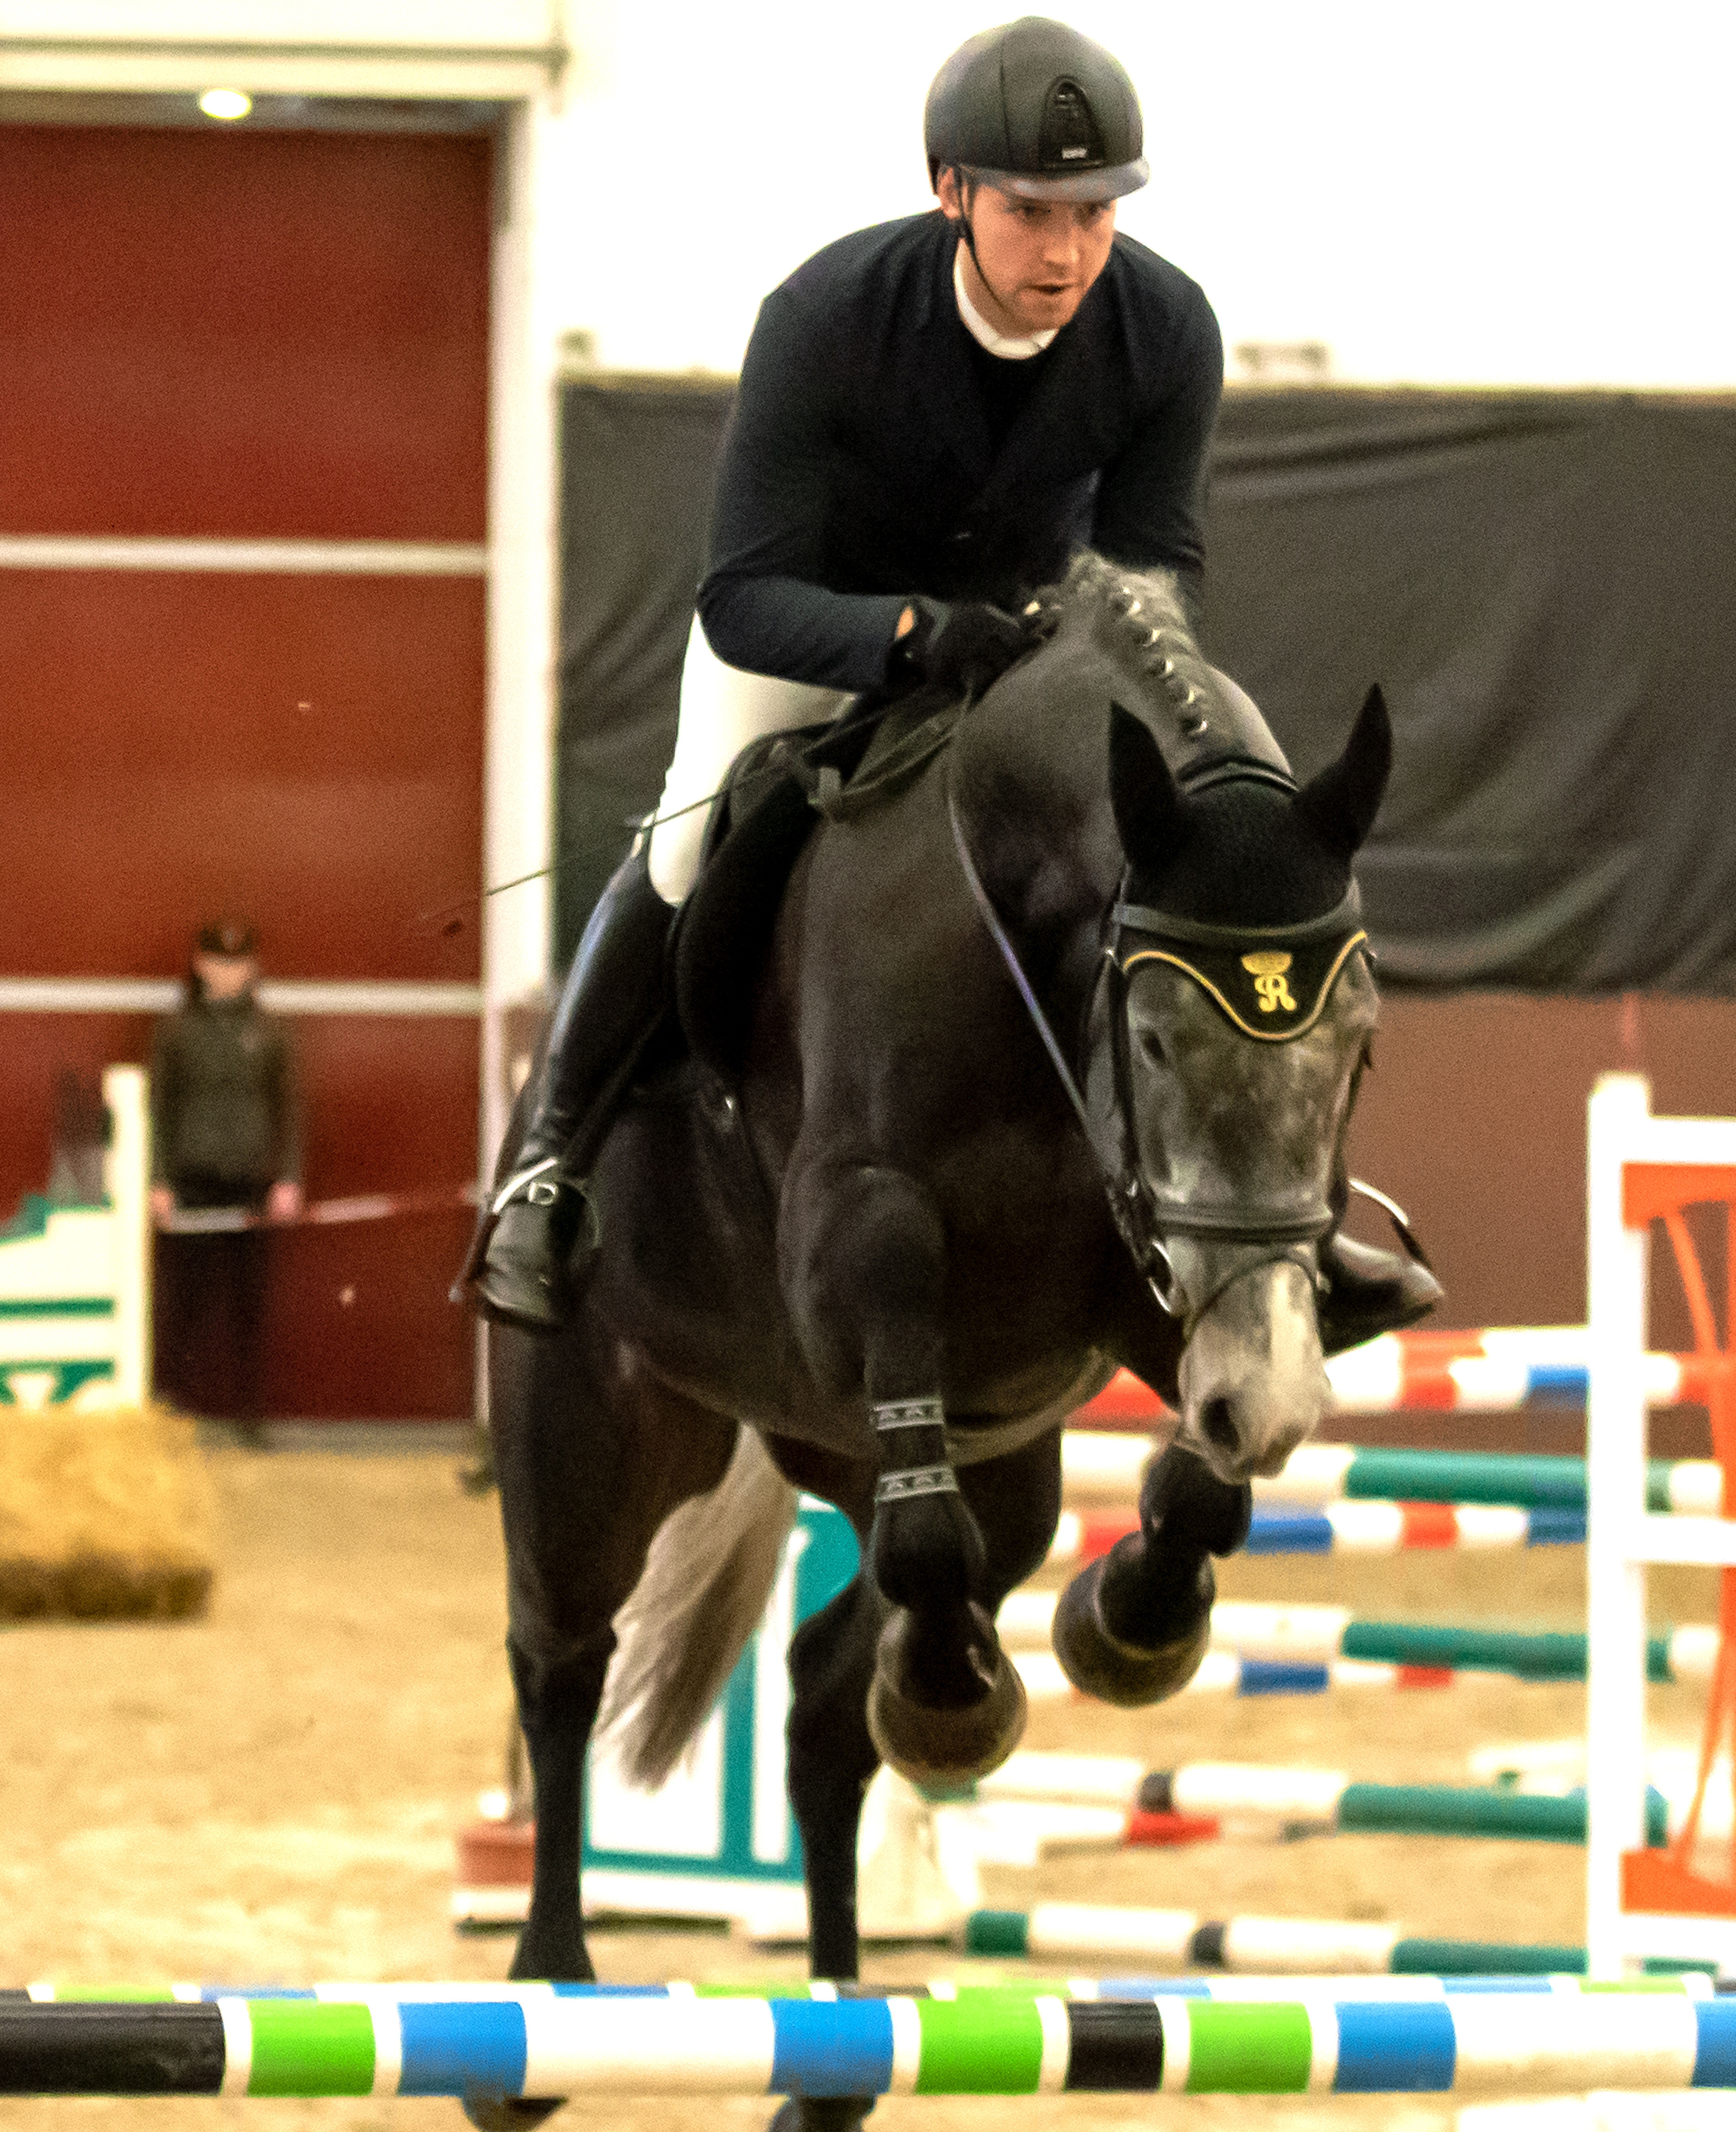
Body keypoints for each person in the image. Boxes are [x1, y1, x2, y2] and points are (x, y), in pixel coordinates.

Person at [478, 16, 1434, 1352]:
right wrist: (915, 633)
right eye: (1032, 212)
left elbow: (1156, 571)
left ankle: (1279, 1220)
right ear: (950, 191)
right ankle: (549, 1166)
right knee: (693, 826)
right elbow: (742, 595)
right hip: (815, 643)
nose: (1066, 251)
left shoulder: (1164, 329)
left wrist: (1059, 652)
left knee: (1153, 876)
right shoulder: (826, 318)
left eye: (1096, 215)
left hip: (1028, 661)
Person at [150, 920, 303, 1428]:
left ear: (253, 967)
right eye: (218, 962)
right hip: (192, 1183)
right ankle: (171, 1413)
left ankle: (251, 1414)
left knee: (248, 1306)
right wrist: (158, 1180)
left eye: (238, 963)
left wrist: (289, 1177)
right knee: (184, 1304)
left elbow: (292, 1108)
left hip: (249, 1183)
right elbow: (158, 1110)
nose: (229, 974)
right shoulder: (176, 1029)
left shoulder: (271, 1030)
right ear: (199, 964)